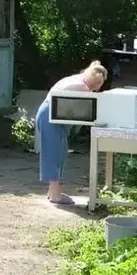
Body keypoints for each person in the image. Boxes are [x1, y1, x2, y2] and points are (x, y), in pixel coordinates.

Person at [35, 61, 108, 205]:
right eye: (100, 82)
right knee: (53, 153)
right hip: (50, 115)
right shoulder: (82, 87)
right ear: (95, 78)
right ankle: (55, 195)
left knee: (60, 152)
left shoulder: (79, 79)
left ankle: (53, 192)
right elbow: (89, 108)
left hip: (54, 116)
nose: (100, 86)